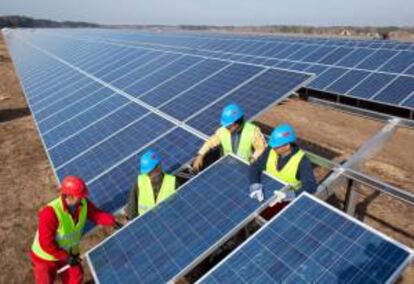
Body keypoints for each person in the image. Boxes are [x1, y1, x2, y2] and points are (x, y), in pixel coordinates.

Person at [30, 176, 119, 284]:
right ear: (70, 196)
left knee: (75, 277)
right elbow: (46, 244)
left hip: (68, 252)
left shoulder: (83, 203)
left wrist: (112, 221)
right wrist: (66, 257)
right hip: (45, 257)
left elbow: (96, 214)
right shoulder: (50, 213)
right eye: (80, 196)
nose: (83, 198)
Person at [249, 124, 317, 219]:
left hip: (287, 206)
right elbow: (255, 166)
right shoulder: (271, 150)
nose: (273, 148)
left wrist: (289, 195)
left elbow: (311, 185)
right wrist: (255, 184)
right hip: (267, 196)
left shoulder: (302, 161)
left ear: (287, 145)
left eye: (276, 147)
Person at [192, 103, 266, 172]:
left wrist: (253, 158)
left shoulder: (253, 131)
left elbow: (261, 148)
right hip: (227, 166)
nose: (226, 128)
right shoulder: (223, 130)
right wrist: (200, 155)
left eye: (229, 127)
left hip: (245, 167)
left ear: (236, 124)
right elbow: (211, 142)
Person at [126, 149, 181, 220]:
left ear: (160, 166)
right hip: (143, 223)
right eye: (150, 172)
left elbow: (179, 206)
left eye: (156, 168)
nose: (154, 174)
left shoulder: (173, 181)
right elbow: (132, 206)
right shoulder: (140, 181)